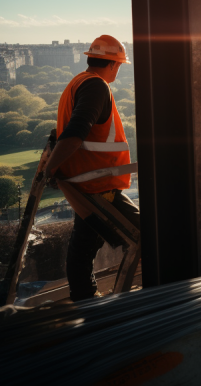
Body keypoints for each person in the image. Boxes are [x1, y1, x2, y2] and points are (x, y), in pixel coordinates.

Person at [45, 35, 139, 301]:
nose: (118, 70)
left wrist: (54, 169)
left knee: (83, 245)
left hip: (85, 182)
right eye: (119, 65)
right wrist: (50, 169)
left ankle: (84, 299)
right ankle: (90, 301)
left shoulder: (77, 83)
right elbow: (75, 133)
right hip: (98, 183)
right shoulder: (97, 86)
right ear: (112, 64)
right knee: (148, 235)